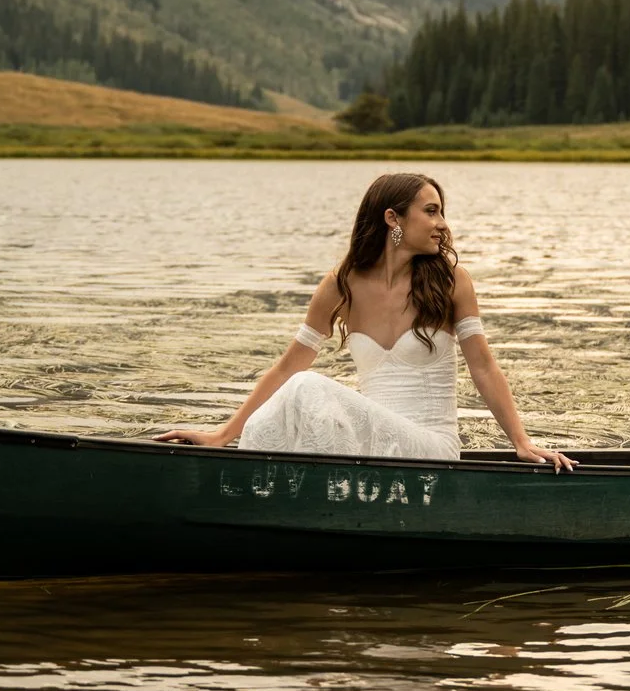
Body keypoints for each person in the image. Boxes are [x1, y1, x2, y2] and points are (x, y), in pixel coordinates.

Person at [158, 172, 574, 469]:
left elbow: (483, 366)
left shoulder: (451, 281)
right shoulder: (342, 283)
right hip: (369, 446)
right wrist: (220, 436)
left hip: (429, 448)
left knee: (308, 389)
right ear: (393, 219)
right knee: (290, 401)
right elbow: (288, 366)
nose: (442, 224)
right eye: (430, 212)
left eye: (441, 212)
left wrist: (521, 442)